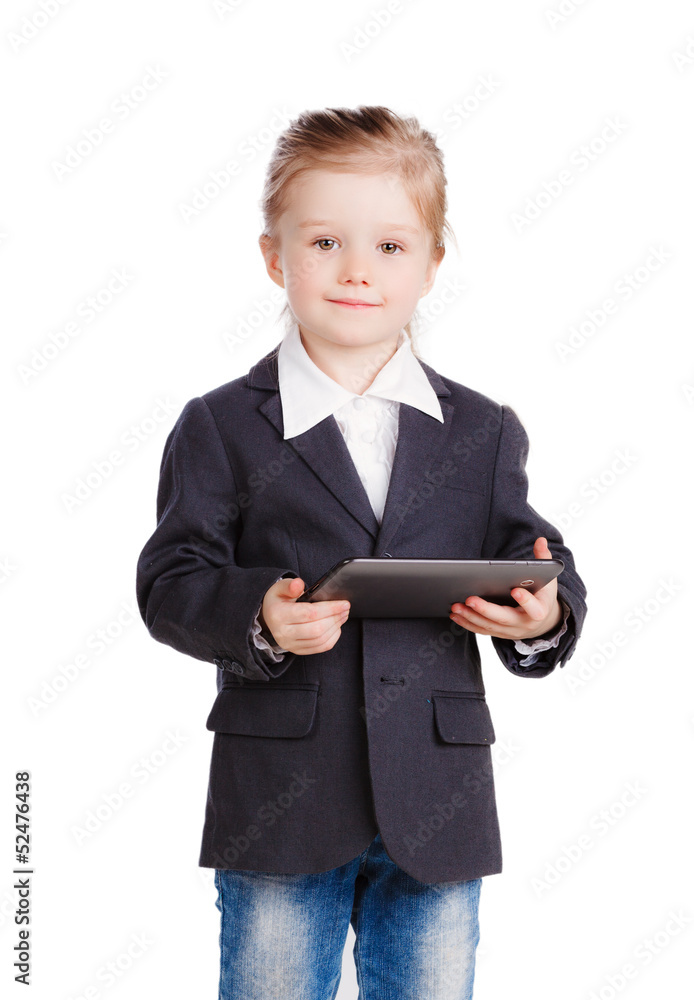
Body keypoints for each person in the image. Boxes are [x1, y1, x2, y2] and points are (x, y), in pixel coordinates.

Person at [136, 105, 587, 1000]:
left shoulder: (484, 429)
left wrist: (544, 612)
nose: (355, 272)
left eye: (389, 247)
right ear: (274, 256)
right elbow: (170, 581)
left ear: (431, 265)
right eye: (324, 242)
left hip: (439, 796)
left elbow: (537, 554)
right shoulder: (221, 425)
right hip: (281, 797)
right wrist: (258, 616)